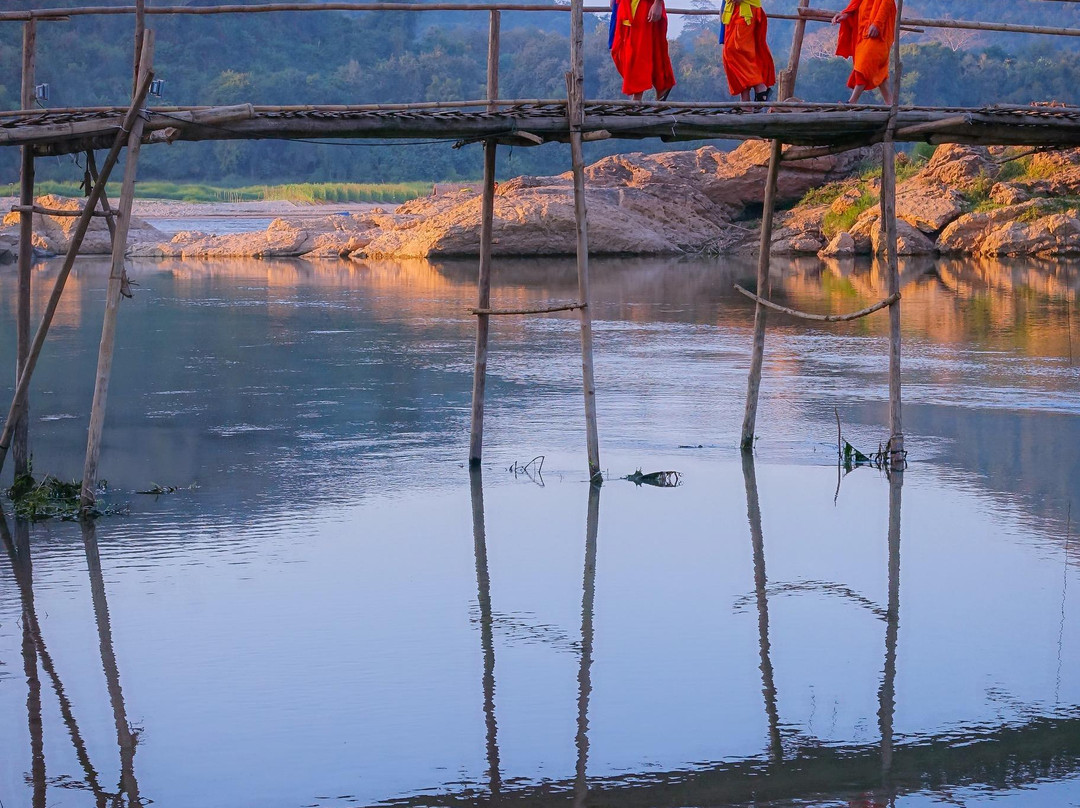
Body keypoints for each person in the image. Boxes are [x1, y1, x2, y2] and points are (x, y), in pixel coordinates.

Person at [832, 0, 897, 104]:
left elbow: (887, 2)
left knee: (863, 64)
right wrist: (846, 13)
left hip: (879, 28)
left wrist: (877, 23)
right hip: (863, 26)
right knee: (879, 68)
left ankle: (852, 102)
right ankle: (890, 103)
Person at [610, 0, 676, 102]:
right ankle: (663, 85)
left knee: (638, 50)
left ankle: (638, 96)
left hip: (643, 6)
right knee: (621, 50)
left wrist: (658, 3)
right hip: (626, 5)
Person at [720, 0, 776, 103]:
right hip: (732, 10)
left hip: (746, 10)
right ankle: (745, 101)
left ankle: (760, 86)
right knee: (738, 54)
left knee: (735, 50)